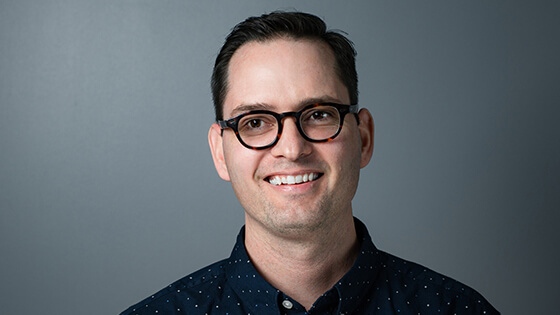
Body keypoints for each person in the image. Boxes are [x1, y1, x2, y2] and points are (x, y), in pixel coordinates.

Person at [121, 11, 499, 314]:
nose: (291, 147)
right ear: (220, 153)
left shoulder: (456, 309)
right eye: (255, 122)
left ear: (363, 138)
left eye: (318, 114)